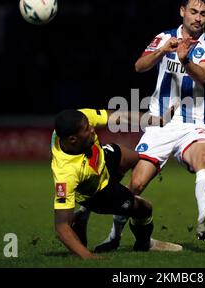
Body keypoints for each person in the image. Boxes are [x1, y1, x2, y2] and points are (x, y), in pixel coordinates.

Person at [95, 0, 205, 253]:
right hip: (160, 124)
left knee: (203, 159)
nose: (198, 18)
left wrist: (185, 60)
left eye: (204, 14)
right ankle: (114, 235)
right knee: (137, 184)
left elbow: (204, 77)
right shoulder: (164, 37)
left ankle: (204, 217)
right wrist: (163, 50)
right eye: (194, 12)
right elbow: (139, 66)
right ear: (182, 11)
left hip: (195, 121)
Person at [51, 108, 182, 259]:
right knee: (145, 209)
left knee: (135, 158)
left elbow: (120, 116)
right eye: (87, 129)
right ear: (73, 139)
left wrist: (159, 121)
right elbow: (61, 227)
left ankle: (89, 212)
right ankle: (144, 243)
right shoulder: (66, 174)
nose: (92, 128)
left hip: (102, 161)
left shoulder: (79, 119)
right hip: (98, 191)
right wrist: (89, 257)